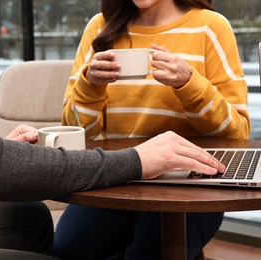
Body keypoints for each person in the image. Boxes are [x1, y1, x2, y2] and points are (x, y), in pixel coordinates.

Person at [0, 0, 225, 259]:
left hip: (185, 176)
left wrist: (189, 83)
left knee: (31, 218)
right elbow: (75, 128)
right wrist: (131, 153)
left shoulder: (212, 26)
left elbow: (232, 126)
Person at [55, 0, 250, 259]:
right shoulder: (100, 26)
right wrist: (89, 86)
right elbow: (76, 134)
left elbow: (237, 133)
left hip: (189, 185)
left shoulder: (210, 27)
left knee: (150, 252)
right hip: (115, 178)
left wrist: (190, 85)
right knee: (66, 251)